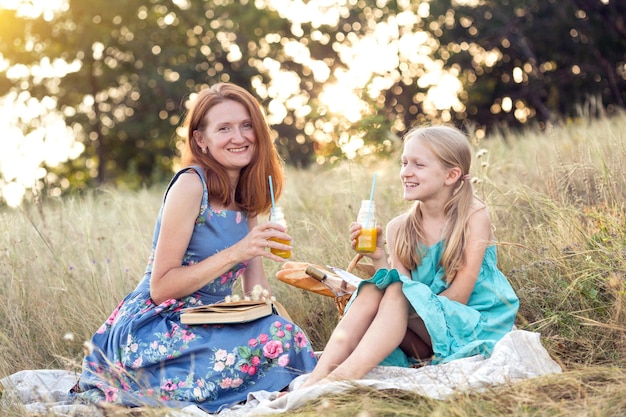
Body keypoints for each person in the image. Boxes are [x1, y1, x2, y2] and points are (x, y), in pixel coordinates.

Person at [70, 82, 317, 412]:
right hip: (157, 325)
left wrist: (280, 322)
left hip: (207, 320)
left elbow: (257, 289)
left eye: (247, 126)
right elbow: (161, 288)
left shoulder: (246, 196)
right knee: (277, 342)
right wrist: (237, 252)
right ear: (201, 140)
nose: (239, 137)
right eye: (224, 128)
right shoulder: (190, 184)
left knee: (285, 336)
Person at [299, 125, 519, 388]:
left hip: (470, 326)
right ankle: (316, 379)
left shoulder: (473, 216)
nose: (406, 172)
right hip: (426, 340)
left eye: (418, 165)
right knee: (373, 291)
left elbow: (458, 296)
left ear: (451, 175)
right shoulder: (399, 228)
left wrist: (404, 301)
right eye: (404, 163)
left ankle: (342, 377)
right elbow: (397, 297)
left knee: (396, 292)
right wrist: (380, 257)